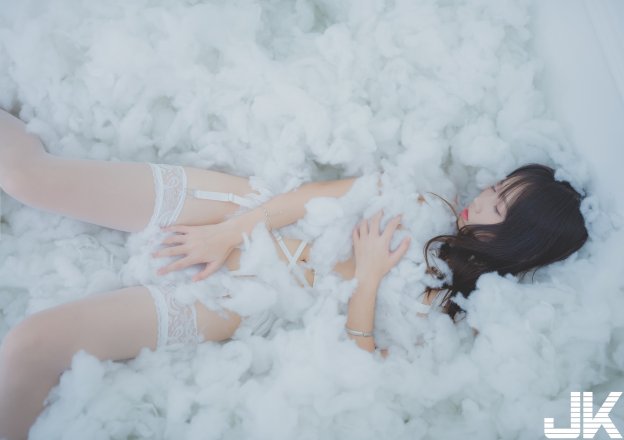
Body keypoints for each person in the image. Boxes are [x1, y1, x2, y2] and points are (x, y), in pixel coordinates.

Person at [0, 108, 588, 439]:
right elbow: (313, 197)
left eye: (497, 208)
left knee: (35, 342)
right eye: (496, 186)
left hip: (244, 301)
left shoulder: (445, 313)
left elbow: (364, 365)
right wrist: (228, 232)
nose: (481, 198)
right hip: (240, 215)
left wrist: (369, 280)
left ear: (516, 243)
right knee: (30, 177)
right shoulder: (426, 202)